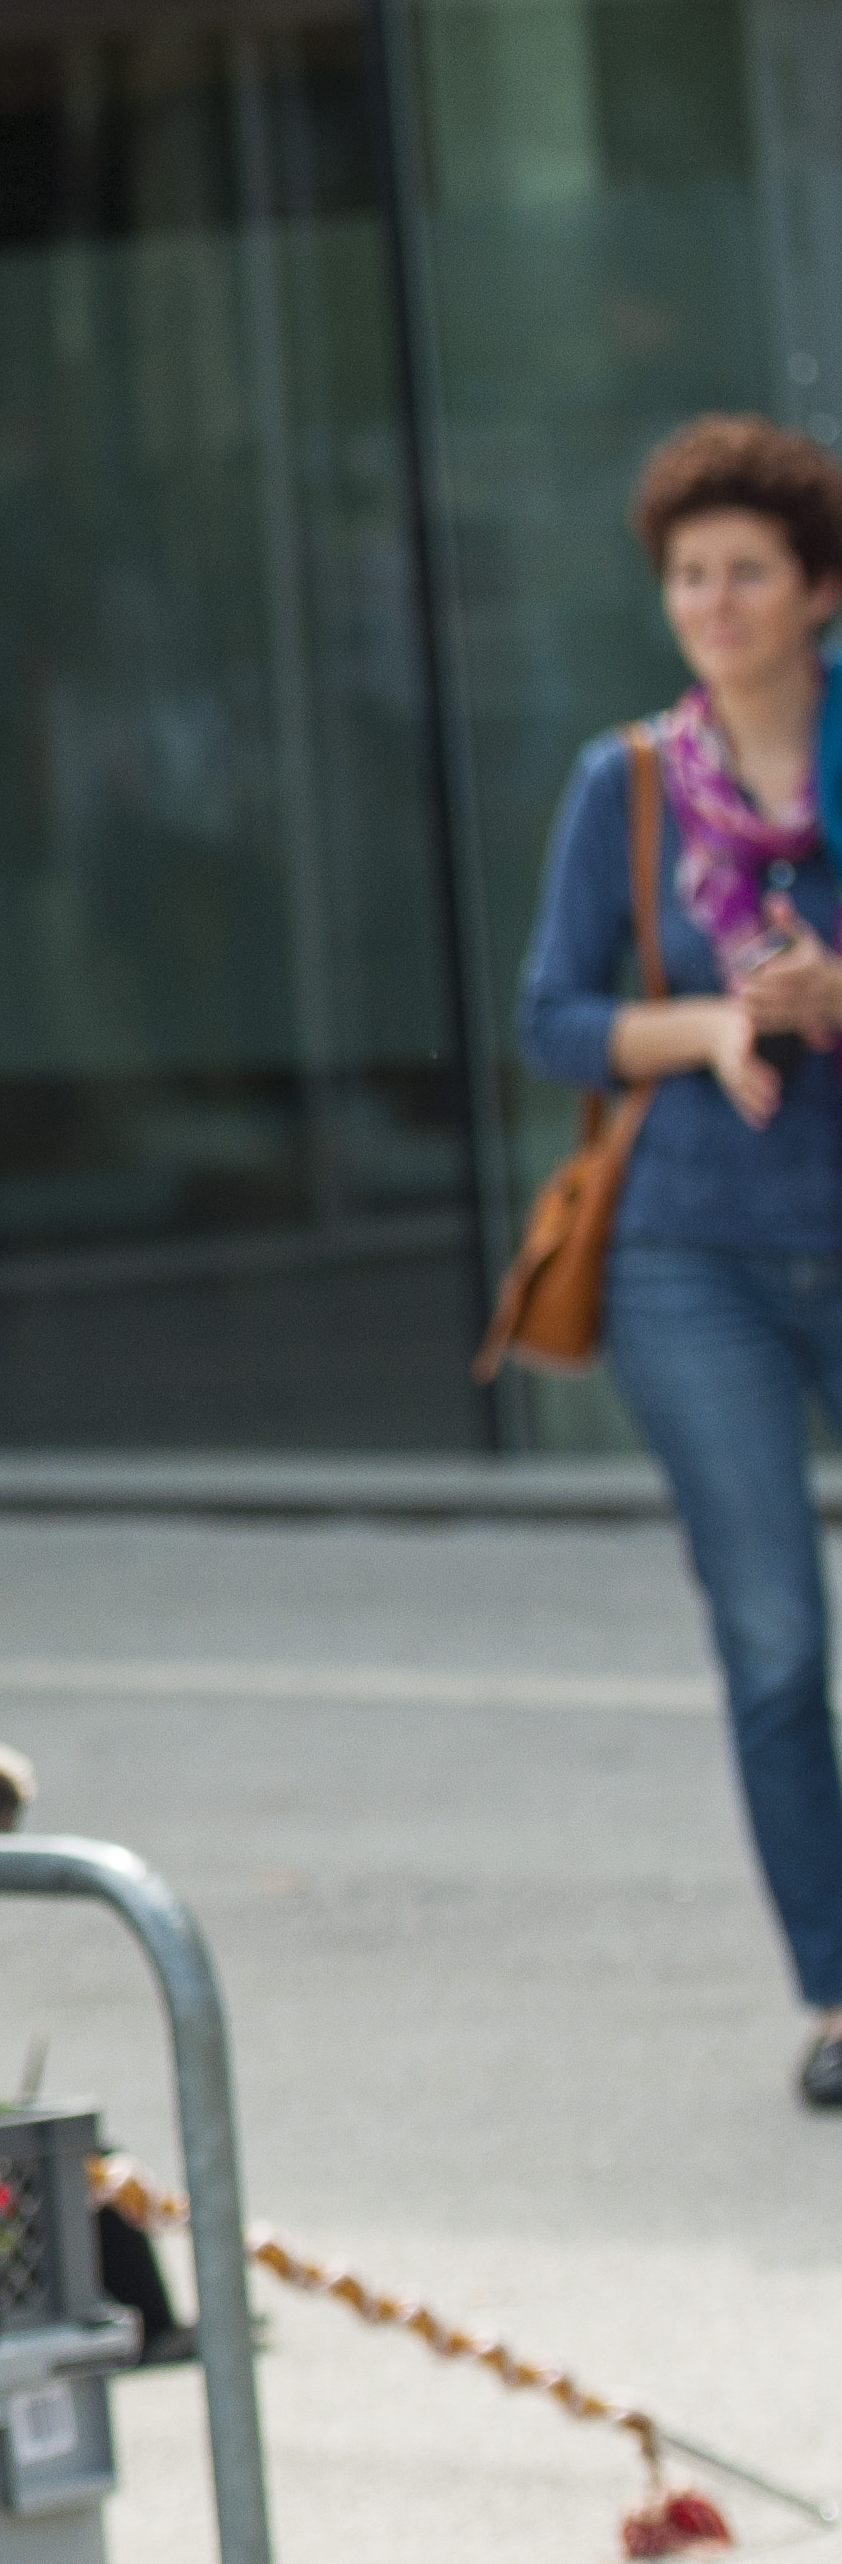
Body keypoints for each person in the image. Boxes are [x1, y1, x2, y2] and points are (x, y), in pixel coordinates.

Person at [518, 413, 842, 2110]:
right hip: (686, 1253)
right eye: (687, 575)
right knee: (774, 1635)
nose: (712, 603)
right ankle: (838, 1991)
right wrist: (712, 1023)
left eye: (746, 572)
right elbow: (551, 1017)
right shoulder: (627, 783)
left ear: (818, 590)